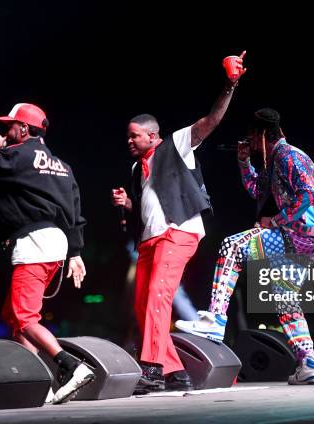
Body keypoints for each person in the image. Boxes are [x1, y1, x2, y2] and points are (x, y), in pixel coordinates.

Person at [111, 52, 246, 392]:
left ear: (152, 135)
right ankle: (175, 370)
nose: (129, 141)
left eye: (134, 136)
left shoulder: (176, 145)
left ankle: (152, 368)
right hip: (150, 238)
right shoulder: (134, 169)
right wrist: (128, 204)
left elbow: (210, 121)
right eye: (127, 136)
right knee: (143, 304)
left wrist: (230, 85)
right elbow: (148, 206)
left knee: (158, 295)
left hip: (178, 231)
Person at [176, 108, 314, 385]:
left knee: (232, 246)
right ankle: (308, 362)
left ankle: (216, 320)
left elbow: (308, 194)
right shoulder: (273, 161)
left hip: (299, 234)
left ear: (261, 134)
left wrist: (277, 221)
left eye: (251, 135)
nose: (248, 140)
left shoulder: (289, 155)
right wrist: (244, 162)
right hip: (303, 238)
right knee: (284, 297)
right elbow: (255, 190)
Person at [0, 103, 94, 404]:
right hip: (57, 243)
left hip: (34, 242)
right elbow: (76, 214)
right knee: (14, 314)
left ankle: (71, 366)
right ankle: (38, 384)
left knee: (24, 318)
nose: (5, 130)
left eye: (10, 125)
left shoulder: (20, 155)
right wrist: (76, 253)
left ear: (24, 129)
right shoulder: (63, 166)